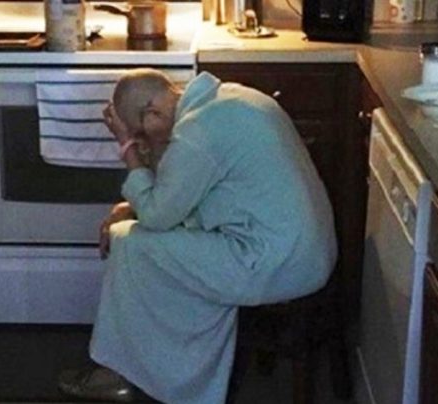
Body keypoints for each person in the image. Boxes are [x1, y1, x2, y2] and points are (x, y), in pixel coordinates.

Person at [58, 69, 337, 404]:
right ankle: (140, 371)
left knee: (129, 242)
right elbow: (187, 190)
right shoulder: (231, 97)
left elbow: (159, 216)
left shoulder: (196, 133)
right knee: (153, 244)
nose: (145, 147)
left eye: (140, 136)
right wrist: (132, 205)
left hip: (276, 263)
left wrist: (126, 150)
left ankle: (129, 377)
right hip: (306, 250)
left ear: (154, 115)